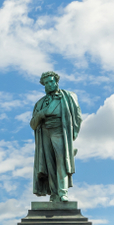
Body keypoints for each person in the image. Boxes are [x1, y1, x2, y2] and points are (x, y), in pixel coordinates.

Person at [30, 71, 82, 202]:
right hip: (45, 133)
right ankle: (54, 194)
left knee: (62, 162)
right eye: (46, 83)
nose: (48, 85)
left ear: (56, 82)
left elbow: (77, 116)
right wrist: (41, 114)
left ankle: (63, 192)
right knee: (50, 164)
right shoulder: (40, 103)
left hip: (61, 130)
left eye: (51, 81)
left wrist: (72, 136)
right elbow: (33, 124)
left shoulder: (69, 96)